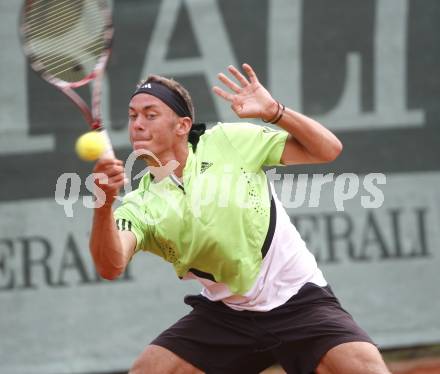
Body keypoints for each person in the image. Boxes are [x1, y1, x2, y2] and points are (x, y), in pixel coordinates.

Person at [90, 63, 390, 374]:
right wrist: (103, 207)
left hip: (298, 299)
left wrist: (275, 111)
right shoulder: (140, 204)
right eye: (133, 116)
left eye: (150, 115)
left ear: (182, 125)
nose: (137, 124)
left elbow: (328, 150)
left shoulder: (227, 142)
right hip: (226, 314)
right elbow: (110, 266)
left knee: (366, 370)